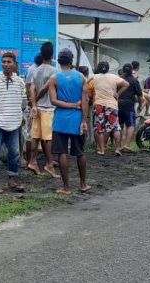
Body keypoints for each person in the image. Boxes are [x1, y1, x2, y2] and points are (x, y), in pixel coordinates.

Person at [0, 52, 27, 194]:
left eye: (9, 62)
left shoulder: (20, 82)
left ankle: (12, 180)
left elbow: (23, 102)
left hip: (14, 123)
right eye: (4, 62)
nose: (6, 64)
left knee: (14, 153)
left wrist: (19, 116)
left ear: (14, 64)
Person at [48, 49, 91, 195]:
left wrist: (69, 105)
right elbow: (85, 99)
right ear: (71, 61)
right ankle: (83, 184)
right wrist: (84, 120)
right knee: (80, 152)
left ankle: (66, 187)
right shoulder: (81, 77)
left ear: (58, 61)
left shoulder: (54, 78)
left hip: (60, 119)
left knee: (62, 153)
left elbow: (53, 101)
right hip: (77, 119)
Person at [28, 42, 61, 178]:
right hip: (49, 108)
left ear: (41, 54)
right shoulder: (55, 72)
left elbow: (31, 88)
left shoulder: (35, 70)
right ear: (52, 55)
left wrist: (33, 103)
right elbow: (50, 89)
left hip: (38, 108)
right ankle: (49, 164)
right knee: (48, 139)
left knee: (35, 136)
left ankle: (33, 161)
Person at [91, 61, 128, 156]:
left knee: (99, 128)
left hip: (99, 104)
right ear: (108, 68)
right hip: (112, 105)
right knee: (115, 127)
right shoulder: (114, 77)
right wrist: (118, 94)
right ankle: (118, 149)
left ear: (98, 68)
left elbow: (86, 87)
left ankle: (102, 150)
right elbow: (126, 84)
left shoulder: (93, 77)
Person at [118, 63, 143, 153]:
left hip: (117, 104)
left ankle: (118, 146)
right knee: (130, 125)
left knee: (119, 125)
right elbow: (140, 96)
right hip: (129, 105)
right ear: (131, 70)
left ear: (123, 70)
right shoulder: (134, 81)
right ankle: (126, 145)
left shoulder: (118, 79)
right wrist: (140, 105)